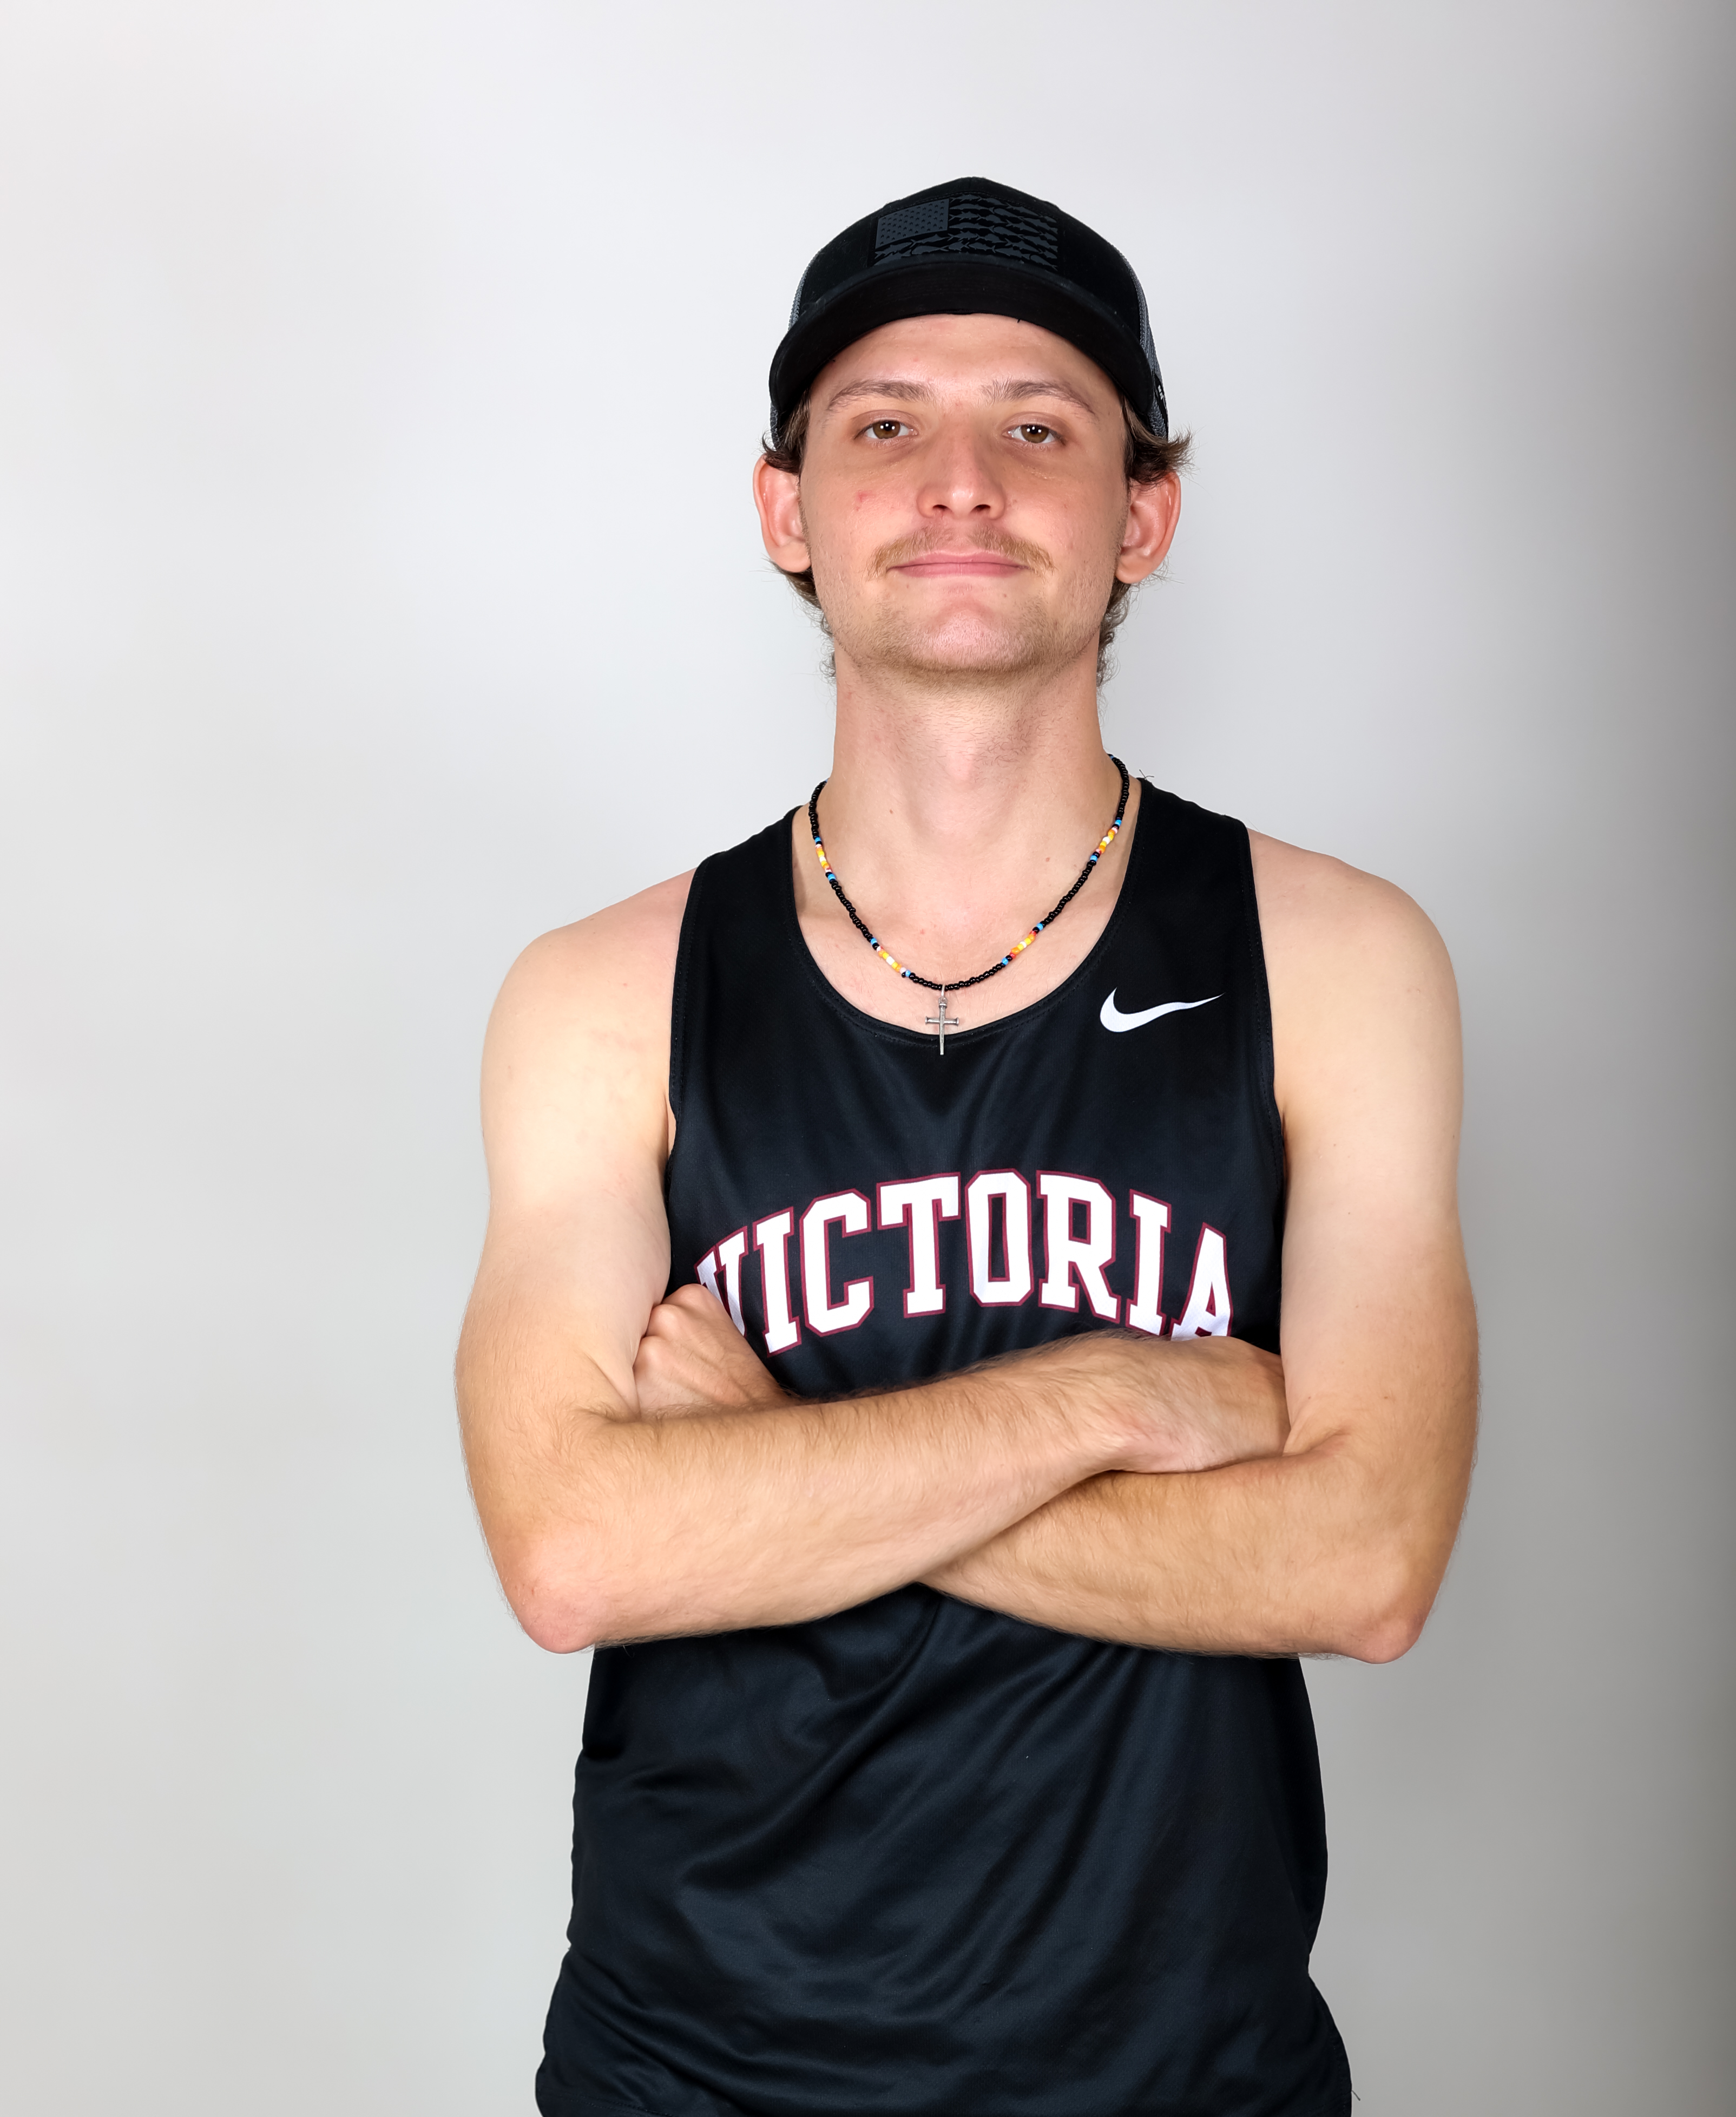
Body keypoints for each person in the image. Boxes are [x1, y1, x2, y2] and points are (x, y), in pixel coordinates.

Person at [457, 175, 1477, 2117]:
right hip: (695, 2071)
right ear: (788, 511)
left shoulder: (1337, 961)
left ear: (1141, 515)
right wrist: (1112, 1397)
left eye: (1038, 428)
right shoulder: (607, 993)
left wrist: (767, 1473)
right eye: (882, 426)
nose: (959, 484)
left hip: (1182, 2072)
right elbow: (577, 1552)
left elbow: (1363, 1564)